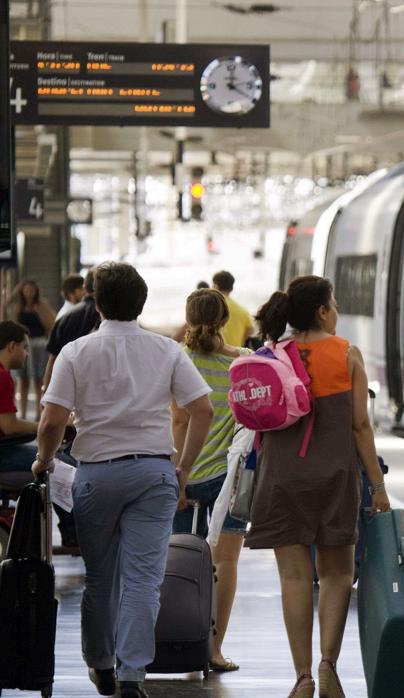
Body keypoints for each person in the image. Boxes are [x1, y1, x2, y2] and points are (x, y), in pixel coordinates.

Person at [33, 261, 215, 698]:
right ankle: (133, 672)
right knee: (143, 580)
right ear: (142, 302)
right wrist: (184, 467)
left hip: (96, 475)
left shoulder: (77, 352)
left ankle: (101, 665)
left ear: (96, 303)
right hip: (153, 473)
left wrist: (43, 461)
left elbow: (51, 422)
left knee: (100, 578)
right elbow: (202, 409)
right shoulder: (166, 351)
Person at [247, 275, 391, 698]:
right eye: (335, 303)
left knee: (294, 580)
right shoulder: (346, 353)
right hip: (335, 477)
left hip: (280, 479)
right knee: (337, 574)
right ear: (323, 312)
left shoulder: (270, 355)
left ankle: (303, 677)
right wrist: (378, 485)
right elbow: (360, 426)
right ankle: (328, 666)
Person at [170, 288, 250, 673]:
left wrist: (178, 476)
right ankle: (214, 650)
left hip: (183, 475)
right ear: (224, 320)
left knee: (179, 561)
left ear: (188, 318)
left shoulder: (178, 361)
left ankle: (181, 641)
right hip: (228, 479)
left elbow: (180, 421)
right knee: (226, 563)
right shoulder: (244, 364)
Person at [43, 267, 100, 394]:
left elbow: (53, 358)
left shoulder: (64, 317)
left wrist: (47, 391)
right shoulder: (110, 316)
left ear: (86, 287)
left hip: (67, 384)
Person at [8, 279, 55, 419]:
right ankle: (21, 414)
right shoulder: (18, 307)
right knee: (22, 380)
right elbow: (7, 306)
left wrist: (39, 311)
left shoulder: (42, 305)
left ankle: (38, 413)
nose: (29, 293)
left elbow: (50, 324)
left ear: (36, 292)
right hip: (21, 345)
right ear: (22, 291)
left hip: (38, 344)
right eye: (26, 290)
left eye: (32, 290)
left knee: (38, 379)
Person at [0, 321, 38, 471]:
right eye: (24, 347)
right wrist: (46, 426)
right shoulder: (2, 377)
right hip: (3, 455)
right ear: (11, 347)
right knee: (59, 463)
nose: (26, 354)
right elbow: (10, 426)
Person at [212, 270, 254, 348]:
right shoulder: (243, 311)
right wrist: (241, 342)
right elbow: (250, 329)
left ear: (216, 286)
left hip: (215, 353)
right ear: (231, 288)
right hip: (234, 355)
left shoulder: (211, 306)